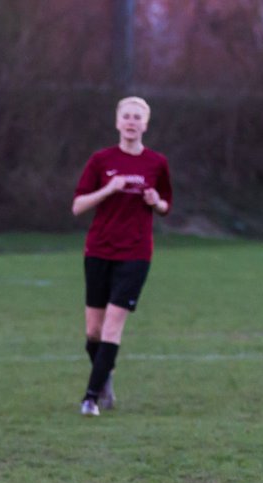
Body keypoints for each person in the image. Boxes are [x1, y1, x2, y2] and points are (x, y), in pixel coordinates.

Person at [71, 96, 172, 417]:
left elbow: (166, 205)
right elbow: (78, 206)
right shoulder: (101, 160)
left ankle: (90, 398)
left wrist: (156, 201)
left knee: (113, 328)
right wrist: (108, 189)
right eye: (126, 116)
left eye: (137, 117)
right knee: (93, 333)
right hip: (99, 250)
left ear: (145, 124)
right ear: (117, 122)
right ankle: (105, 378)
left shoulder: (157, 163)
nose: (131, 122)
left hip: (136, 254)